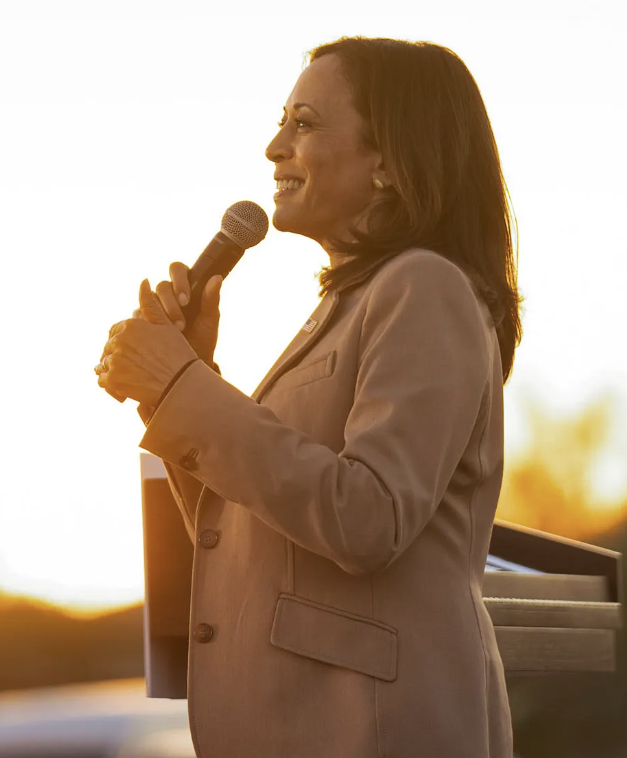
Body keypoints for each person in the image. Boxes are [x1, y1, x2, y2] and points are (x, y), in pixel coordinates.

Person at [94, 37, 522, 758]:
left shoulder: (424, 287)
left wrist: (181, 386)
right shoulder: (348, 307)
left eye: (304, 122)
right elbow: (251, 525)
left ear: (389, 160)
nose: (273, 147)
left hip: (371, 732)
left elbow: (368, 517)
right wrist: (191, 379)